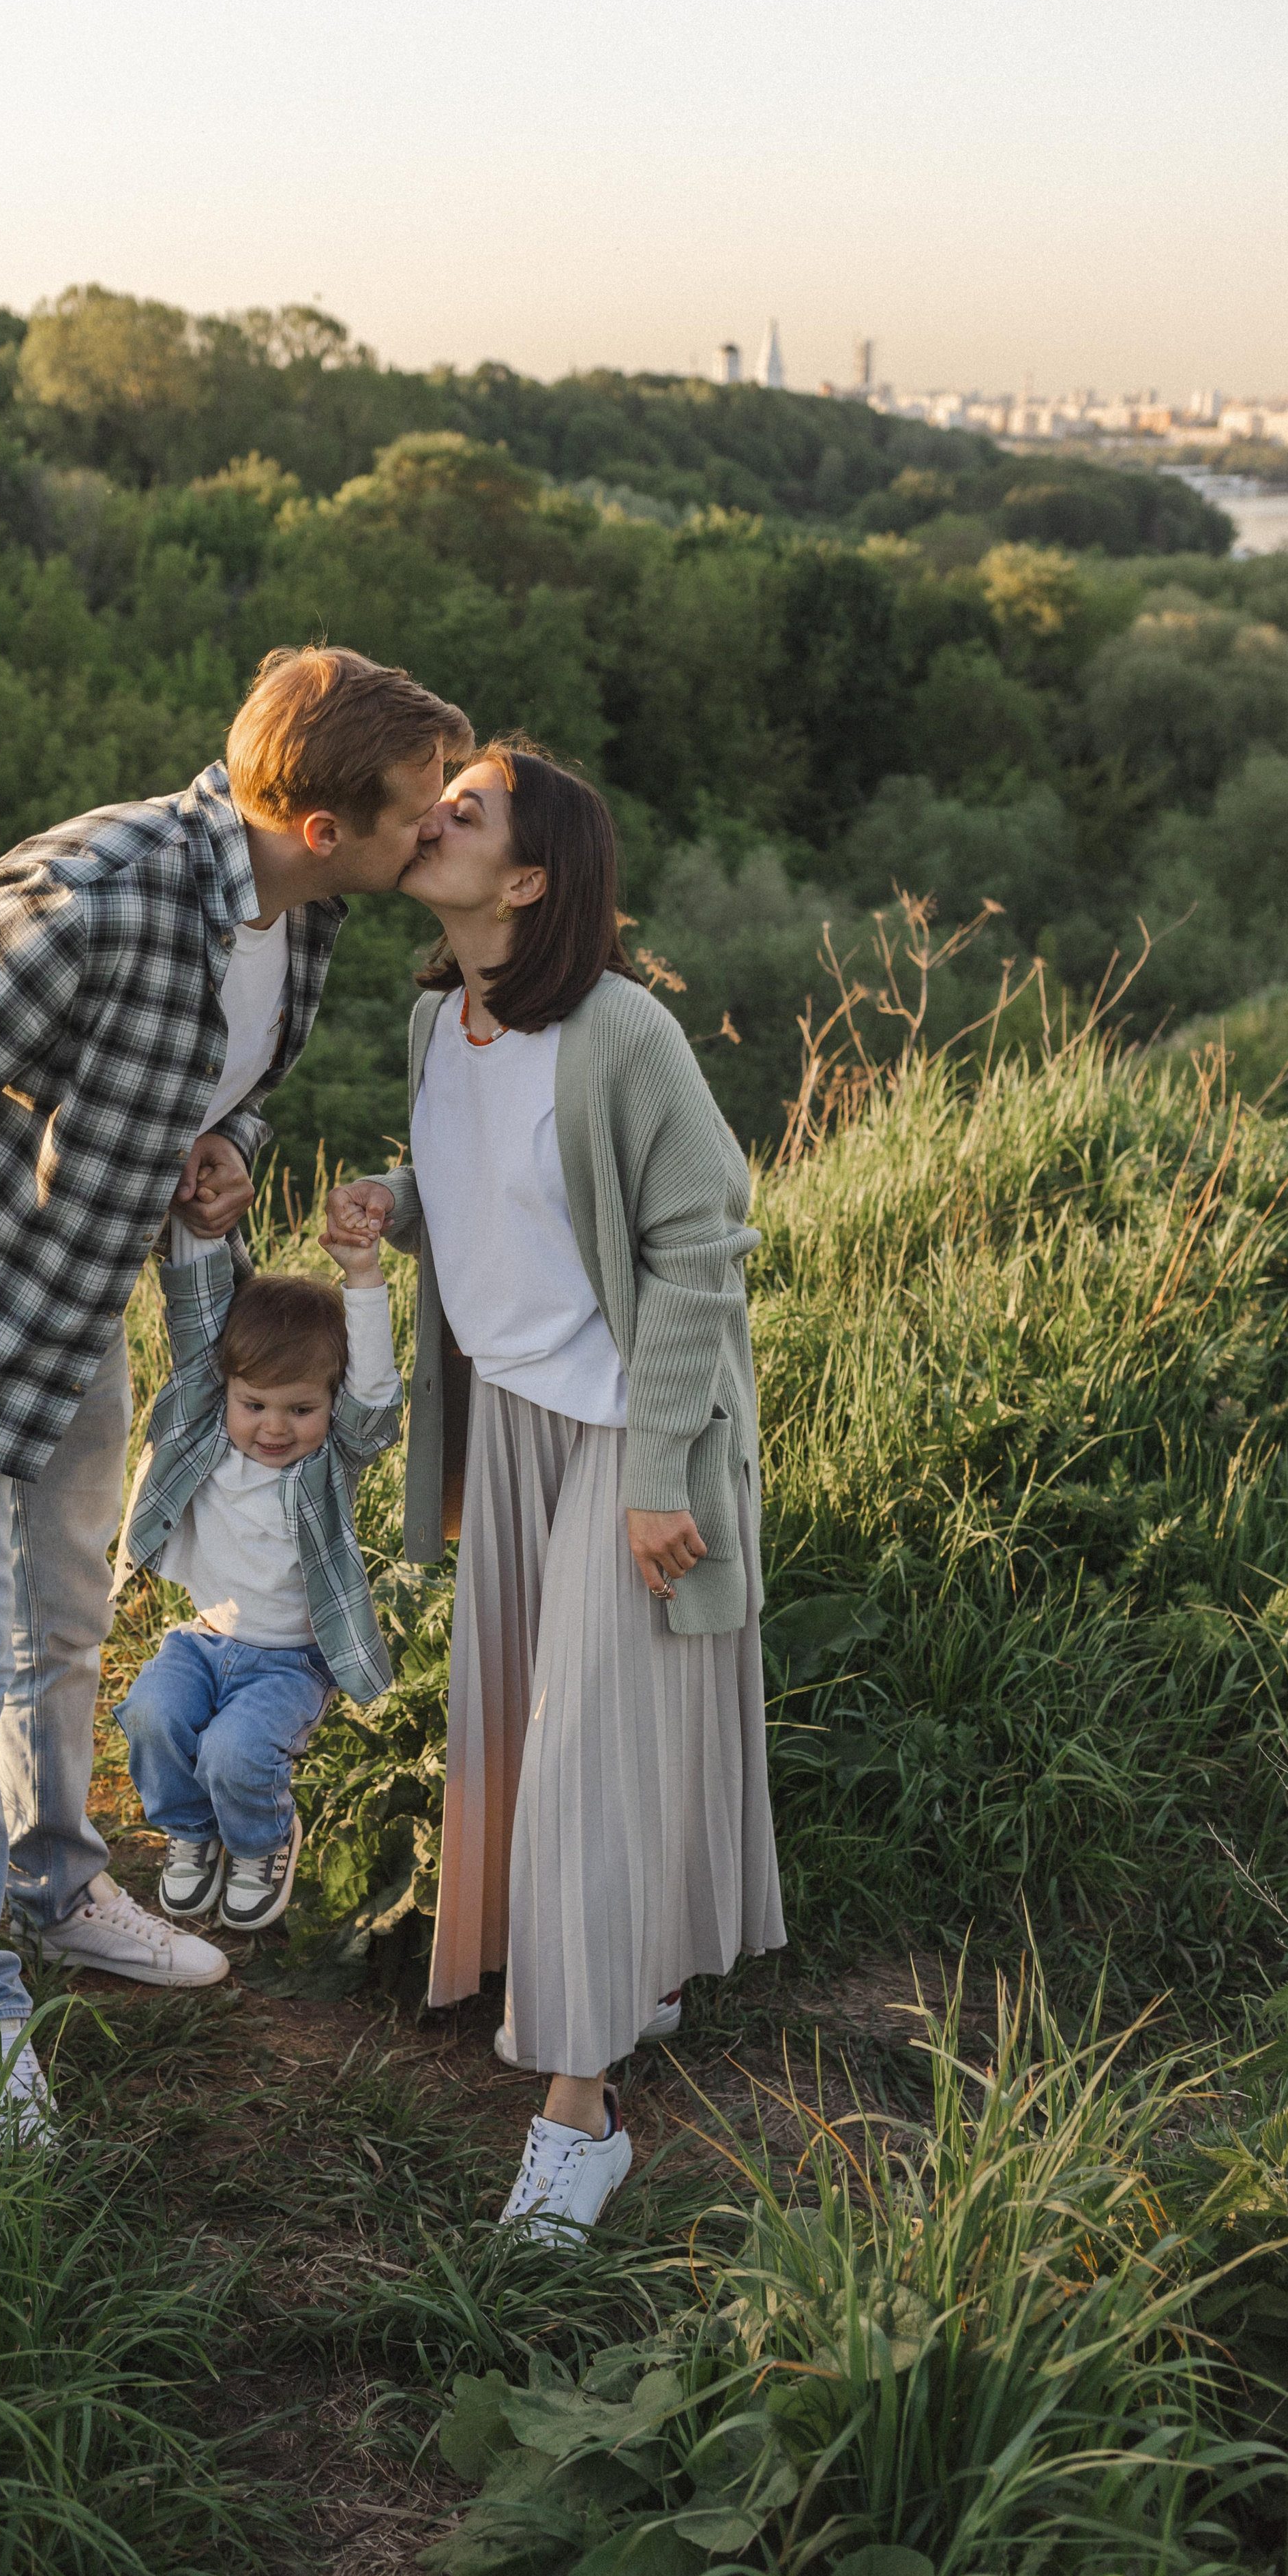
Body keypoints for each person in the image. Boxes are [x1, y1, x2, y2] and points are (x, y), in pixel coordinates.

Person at [0, 646, 471, 2140]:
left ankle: (56, 1890)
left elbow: (217, 1086)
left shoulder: (300, 913)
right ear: (325, 825)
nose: (444, 821)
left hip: (80, 1324)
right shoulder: (86, 902)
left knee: (66, 1637)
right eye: (422, 803)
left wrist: (221, 1149)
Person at [327, 739, 785, 2243]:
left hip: (626, 1433)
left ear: (527, 881)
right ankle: (622, 1981)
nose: (432, 812)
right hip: (512, 1425)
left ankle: (580, 2120)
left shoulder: (622, 1030)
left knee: (586, 1754)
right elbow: (504, 1198)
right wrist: (396, 1209)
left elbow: (700, 1248)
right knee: (535, 1731)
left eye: (467, 807)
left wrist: (661, 1472)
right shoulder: (437, 1022)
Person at [110, 1222, 400, 1934]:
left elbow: (373, 1397)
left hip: (291, 1662)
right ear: (228, 1391)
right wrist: (198, 1222)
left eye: (301, 1409)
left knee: (234, 1752)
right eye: (256, 1405)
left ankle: (259, 1842)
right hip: (204, 1640)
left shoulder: (329, 1462)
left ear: (329, 1404)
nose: (274, 1428)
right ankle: (193, 1830)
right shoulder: (203, 1432)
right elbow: (196, 1314)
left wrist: (363, 1276)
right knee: (150, 1714)